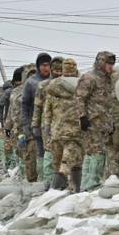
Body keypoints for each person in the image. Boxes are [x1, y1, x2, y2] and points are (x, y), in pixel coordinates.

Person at [74, 50, 118, 191]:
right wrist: (82, 117)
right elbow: (79, 98)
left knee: (91, 153)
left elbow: (107, 103)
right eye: (108, 63)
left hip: (103, 124)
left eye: (112, 63)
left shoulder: (107, 80)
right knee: (98, 153)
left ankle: (86, 184)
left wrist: (110, 124)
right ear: (101, 63)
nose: (110, 66)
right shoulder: (89, 78)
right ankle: (92, 184)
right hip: (92, 122)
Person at [47, 58, 84, 190]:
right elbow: (48, 106)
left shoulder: (82, 84)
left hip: (74, 132)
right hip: (58, 130)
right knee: (58, 162)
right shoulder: (56, 85)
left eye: (70, 73)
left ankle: (59, 190)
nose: (68, 76)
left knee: (70, 162)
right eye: (66, 73)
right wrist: (46, 124)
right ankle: (60, 190)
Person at [19, 53, 53, 182]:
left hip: (52, 123)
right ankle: (42, 178)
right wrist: (26, 123)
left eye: (48, 65)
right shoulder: (31, 82)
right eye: (44, 65)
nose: (47, 68)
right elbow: (25, 104)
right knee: (39, 151)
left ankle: (52, 179)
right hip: (37, 123)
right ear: (39, 66)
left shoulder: (54, 80)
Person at [32, 57, 65, 184]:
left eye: (60, 70)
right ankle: (47, 180)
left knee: (64, 153)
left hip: (66, 124)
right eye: (55, 70)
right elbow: (37, 106)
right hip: (48, 124)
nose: (58, 72)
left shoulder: (68, 84)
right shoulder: (43, 86)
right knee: (49, 152)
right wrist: (35, 124)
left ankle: (62, 180)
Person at [0, 69, 21, 169]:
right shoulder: (9, 93)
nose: (18, 83)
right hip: (9, 122)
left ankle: (15, 166)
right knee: (6, 146)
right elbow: (0, 107)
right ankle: (8, 165)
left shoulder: (27, 90)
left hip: (21, 123)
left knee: (18, 147)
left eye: (20, 81)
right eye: (16, 81)